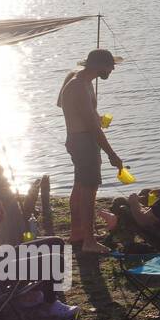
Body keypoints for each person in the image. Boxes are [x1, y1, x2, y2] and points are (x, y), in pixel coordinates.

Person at [57, 49, 123, 255]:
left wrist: (96, 115)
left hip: (79, 139)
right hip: (84, 141)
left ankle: (78, 233)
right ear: (98, 66)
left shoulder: (84, 82)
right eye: (109, 66)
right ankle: (89, 241)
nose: (111, 70)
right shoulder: (78, 86)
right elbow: (92, 128)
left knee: (79, 187)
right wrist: (112, 154)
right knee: (89, 191)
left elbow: (75, 110)